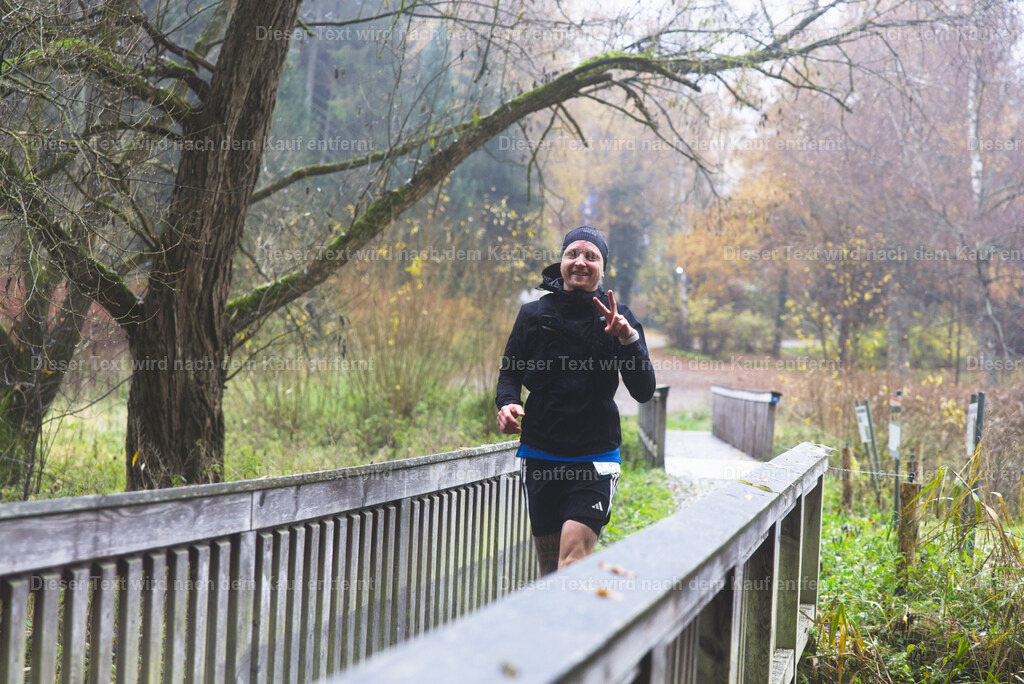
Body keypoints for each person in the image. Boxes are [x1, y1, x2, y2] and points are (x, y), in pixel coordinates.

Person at [495, 226, 656, 575]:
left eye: (591, 256)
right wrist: (506, 404)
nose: (580, 262)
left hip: (594, 456)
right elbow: (509, 374)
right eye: (573, 254)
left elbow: (644, 391)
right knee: (551, 569)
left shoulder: (619, 319)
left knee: (573, 562)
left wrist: (628, 339)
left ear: (602, 268)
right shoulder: (533, 315)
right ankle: (559, 629)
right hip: (540, 454)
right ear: (562, 261)